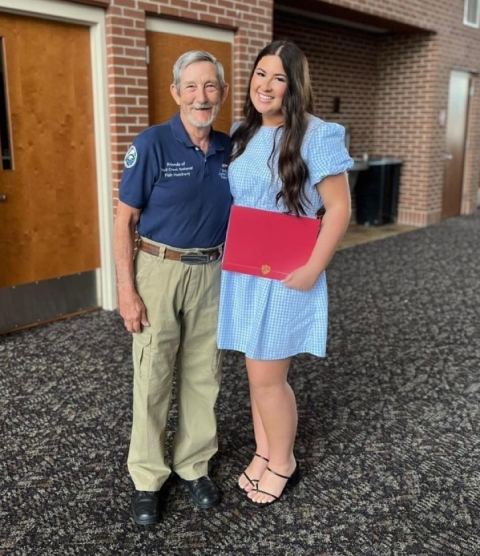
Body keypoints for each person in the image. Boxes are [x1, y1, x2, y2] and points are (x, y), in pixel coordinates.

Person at [217, 40, 353, 507]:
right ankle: (263, 451)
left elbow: (338, 209)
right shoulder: (242, 132)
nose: (266, 85)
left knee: (267, 377)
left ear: (294, 86)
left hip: (289, 273)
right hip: (246, 272)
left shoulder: (318, 134)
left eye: (278, 77)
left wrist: (314, 268)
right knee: (255, 372)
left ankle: (284, 462)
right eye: (260, 74)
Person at [113, 50, 230, 525]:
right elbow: (124, 221)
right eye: (192, 86)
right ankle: (146, 476)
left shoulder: (230, 148)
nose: (201, 97)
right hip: (158, 271)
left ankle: (194, 464)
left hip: (213, 273)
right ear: (175, 92)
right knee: (154, 373)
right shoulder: (152, 143)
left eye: (210, 86)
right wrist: (127, 289)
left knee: (205, 373)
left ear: (221, 93)